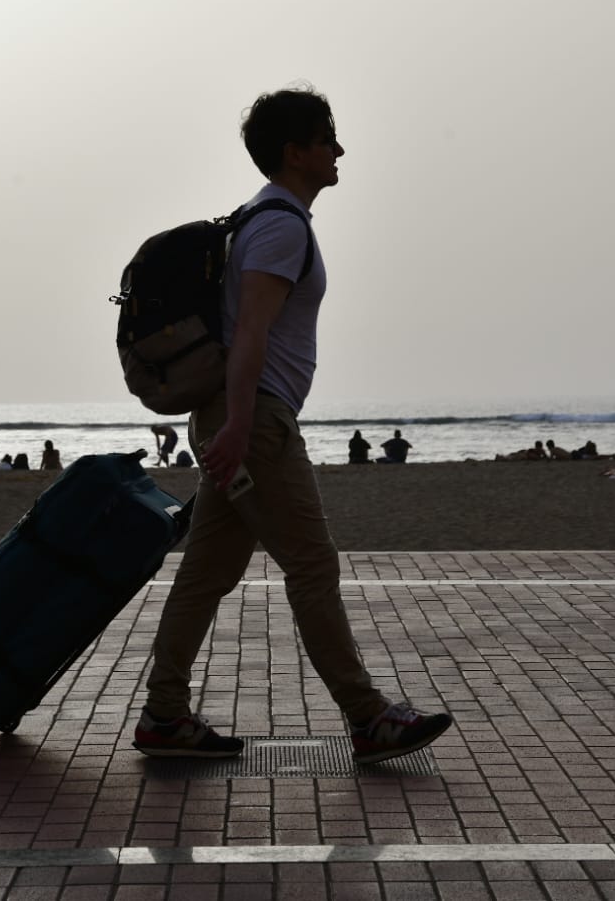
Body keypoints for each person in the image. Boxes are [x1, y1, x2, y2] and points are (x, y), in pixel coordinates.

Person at [133, 87, 453, 765]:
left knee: (204, 574)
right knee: (312, 564)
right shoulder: (279, 226)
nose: (339, 149)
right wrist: (242, 426)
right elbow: (250, 330)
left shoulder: (261, 219)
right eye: (327, 137)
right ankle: (368, 718)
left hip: (236, 415)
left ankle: (164, 715)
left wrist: (229, 424)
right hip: (256, 418)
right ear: (294, 151)